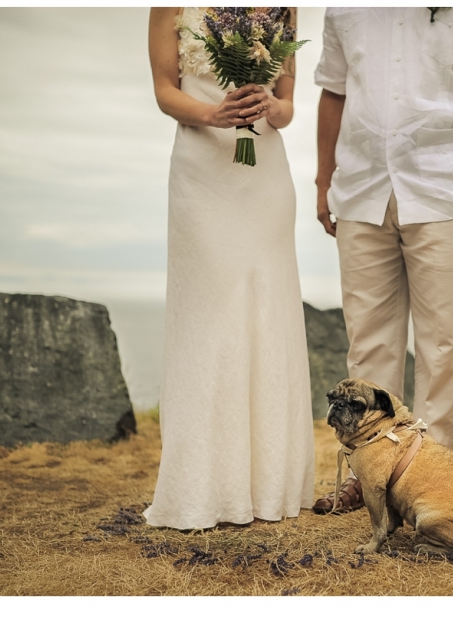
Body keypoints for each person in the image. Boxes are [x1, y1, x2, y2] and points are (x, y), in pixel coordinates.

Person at [312, 7, 453, 514]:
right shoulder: (343, 9)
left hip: (446, 189)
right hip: (361, 190)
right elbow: (334, 91)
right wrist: (324, 179)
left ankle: (429, 479)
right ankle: (369, 473)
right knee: (367, 343)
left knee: (442, 345)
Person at [143, 7, 315, 530]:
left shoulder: (283, 6)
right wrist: (213, 114)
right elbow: (163, 89)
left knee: (268, 307)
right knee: (209, 314)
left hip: (263, 172)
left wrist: (271, 105)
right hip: (201, 168)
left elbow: (288, 105)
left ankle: (269, 484)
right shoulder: (169, 5)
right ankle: (202, 484)